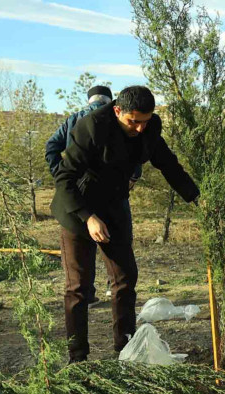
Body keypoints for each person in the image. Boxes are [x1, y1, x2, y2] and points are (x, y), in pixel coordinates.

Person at [51, 85, 199, 363]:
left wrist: (196, 197)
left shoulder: (150, 127)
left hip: (113, 207)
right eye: (134, 121)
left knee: (125, 279)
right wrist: (87, 217)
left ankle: (125, 352)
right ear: (118, 110)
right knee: (79, 288)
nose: (140, 128)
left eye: (145, 121)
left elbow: (168, 164)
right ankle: (78, 358)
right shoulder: (91, 127)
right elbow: (64, 178)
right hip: (77, 209)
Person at [45, 86, 144, 305]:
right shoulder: (121, 121)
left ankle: (87, 294)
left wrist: (60, 174)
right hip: (113, 195)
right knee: (119, 254)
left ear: (90, 100)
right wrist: (132, 178)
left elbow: (51, 146)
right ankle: (113, 288)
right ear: (112, 102)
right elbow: (136, 155)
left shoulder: (74, 119)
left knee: (80, 254)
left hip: (77, 195)